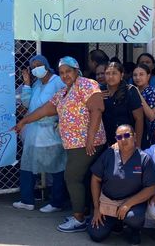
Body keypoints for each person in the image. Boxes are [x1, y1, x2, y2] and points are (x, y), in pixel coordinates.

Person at [14, 56, 106, 233]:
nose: (65, 75)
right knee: (80, 178)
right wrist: (24, 121)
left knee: (72, 178)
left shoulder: (87, 84)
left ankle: (79, 218)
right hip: (72, 144)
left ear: (76, 70)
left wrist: (90, 138)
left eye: (68, 71)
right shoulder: (64, 92)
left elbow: (97, 109)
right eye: (62, 72)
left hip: (85, 143)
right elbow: (45, 110)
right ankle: (83, 212)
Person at [13, 55, 67, 213]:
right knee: (27, 166)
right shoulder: (36, 84)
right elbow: (26, 103)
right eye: (33, 66)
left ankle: (56, 202)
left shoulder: (57, 81)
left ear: (46, 65)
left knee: (56, 166)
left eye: (39, 65)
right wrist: (27, 84)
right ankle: (27, 200)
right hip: (33, 131)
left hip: (51, 130)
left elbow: (65, 102)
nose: (36, 68)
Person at [88, 125, 155, 245]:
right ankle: (116, 223)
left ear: (135, 137)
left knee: (133, 218)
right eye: (119, 137)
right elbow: (95, 179)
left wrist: (127, 204)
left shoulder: (144, 159)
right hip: (108, 202)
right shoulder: (109, 154)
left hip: (132, 204)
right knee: (96, 235)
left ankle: (133, 230)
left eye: (127, 135)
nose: (123, 140)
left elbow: (151, 188)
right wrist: (96, 207)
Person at [101, 62, 144, 147]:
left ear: (121, 75)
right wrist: (98, 98)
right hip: (106, 141)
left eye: (114, 73)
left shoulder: (130, 91)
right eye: (107, 73)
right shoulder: (100, 91)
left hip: (126, 139)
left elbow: (139, 119)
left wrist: (137, 144)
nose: (110, 77)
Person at [133, 64, 155, 149]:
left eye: (141, 74)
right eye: (135, 75)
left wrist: (138, 94)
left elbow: (152, 116)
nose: (137, 77)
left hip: (150, 136)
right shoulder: (131, 91)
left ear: (148, 76)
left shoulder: (153, 92)